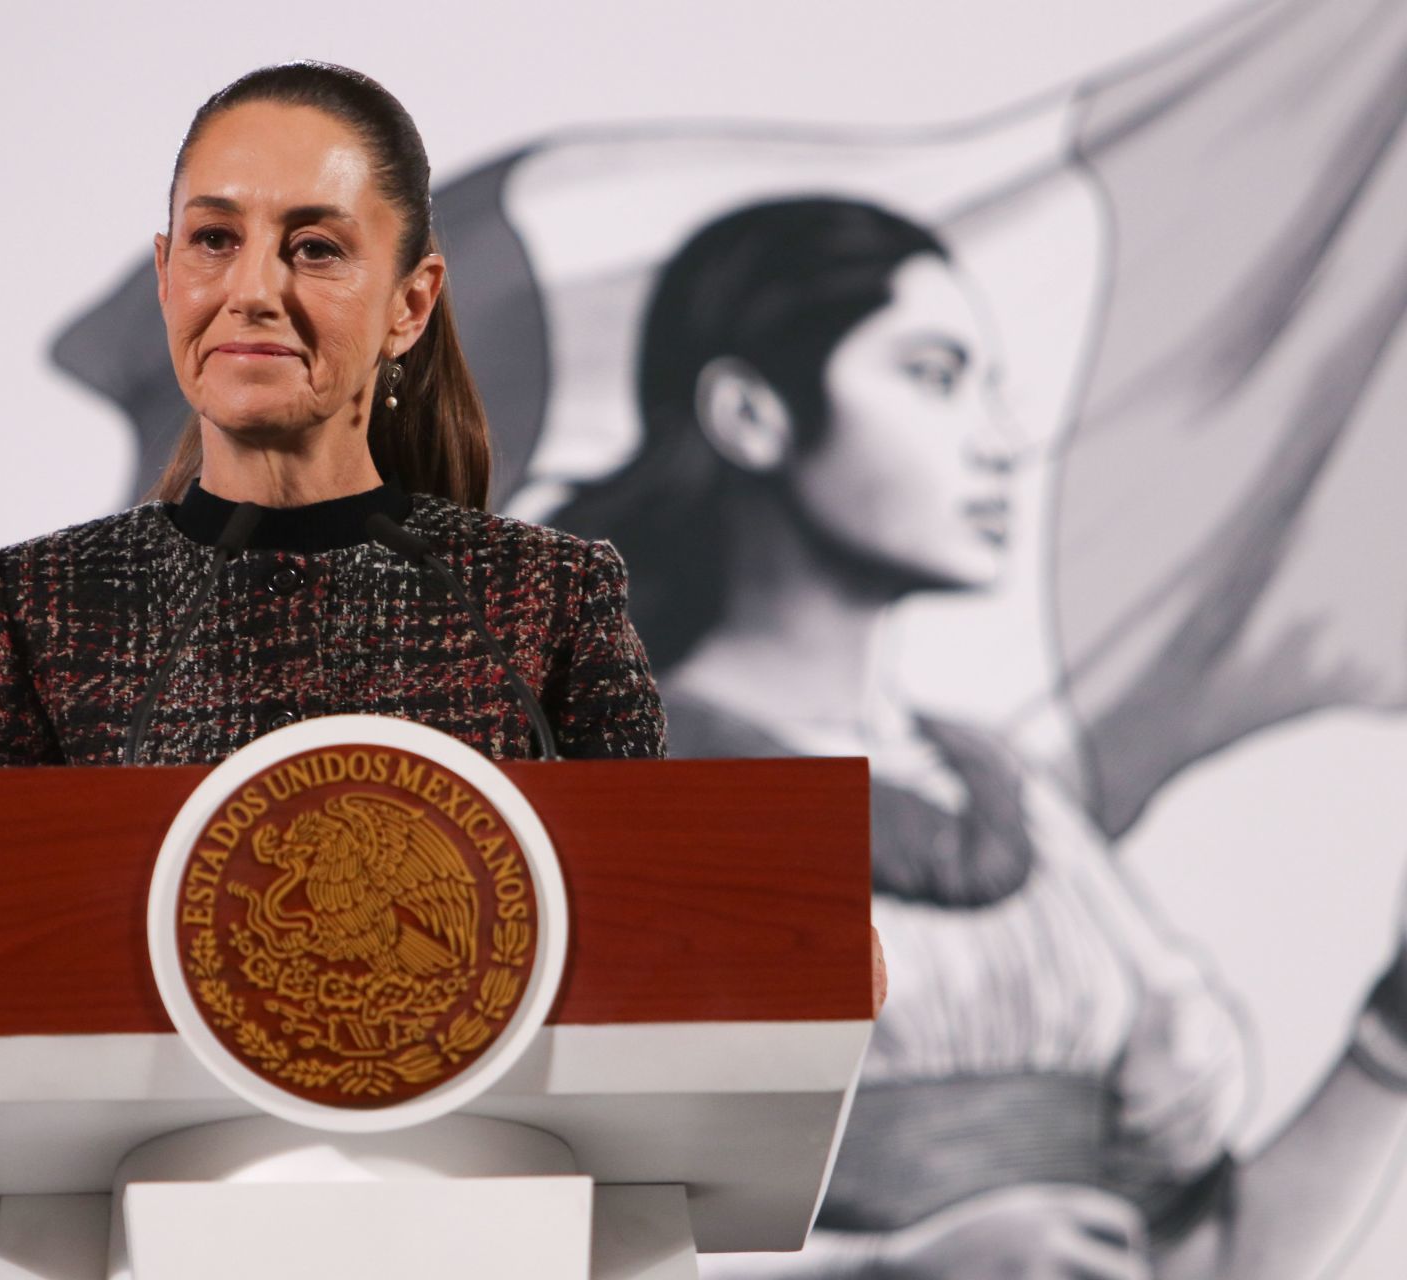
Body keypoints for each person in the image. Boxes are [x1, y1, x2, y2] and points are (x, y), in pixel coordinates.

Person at [556, 197, 1407, 1279]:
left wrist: (1394, 1027)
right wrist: (890, 1268)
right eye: (934, 375)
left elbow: (1210, 1259)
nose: (1002, 440)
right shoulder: (645, 787)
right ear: (751, 413)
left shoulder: (1012, 799)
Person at [0, 62, 673, 1094]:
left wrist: (798, 972)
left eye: (316, 248)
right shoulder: (33, 607)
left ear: (411, 302)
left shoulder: (548, 598)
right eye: (215, 240)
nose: (252, 288)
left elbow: (652, 944)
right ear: (166, 273)